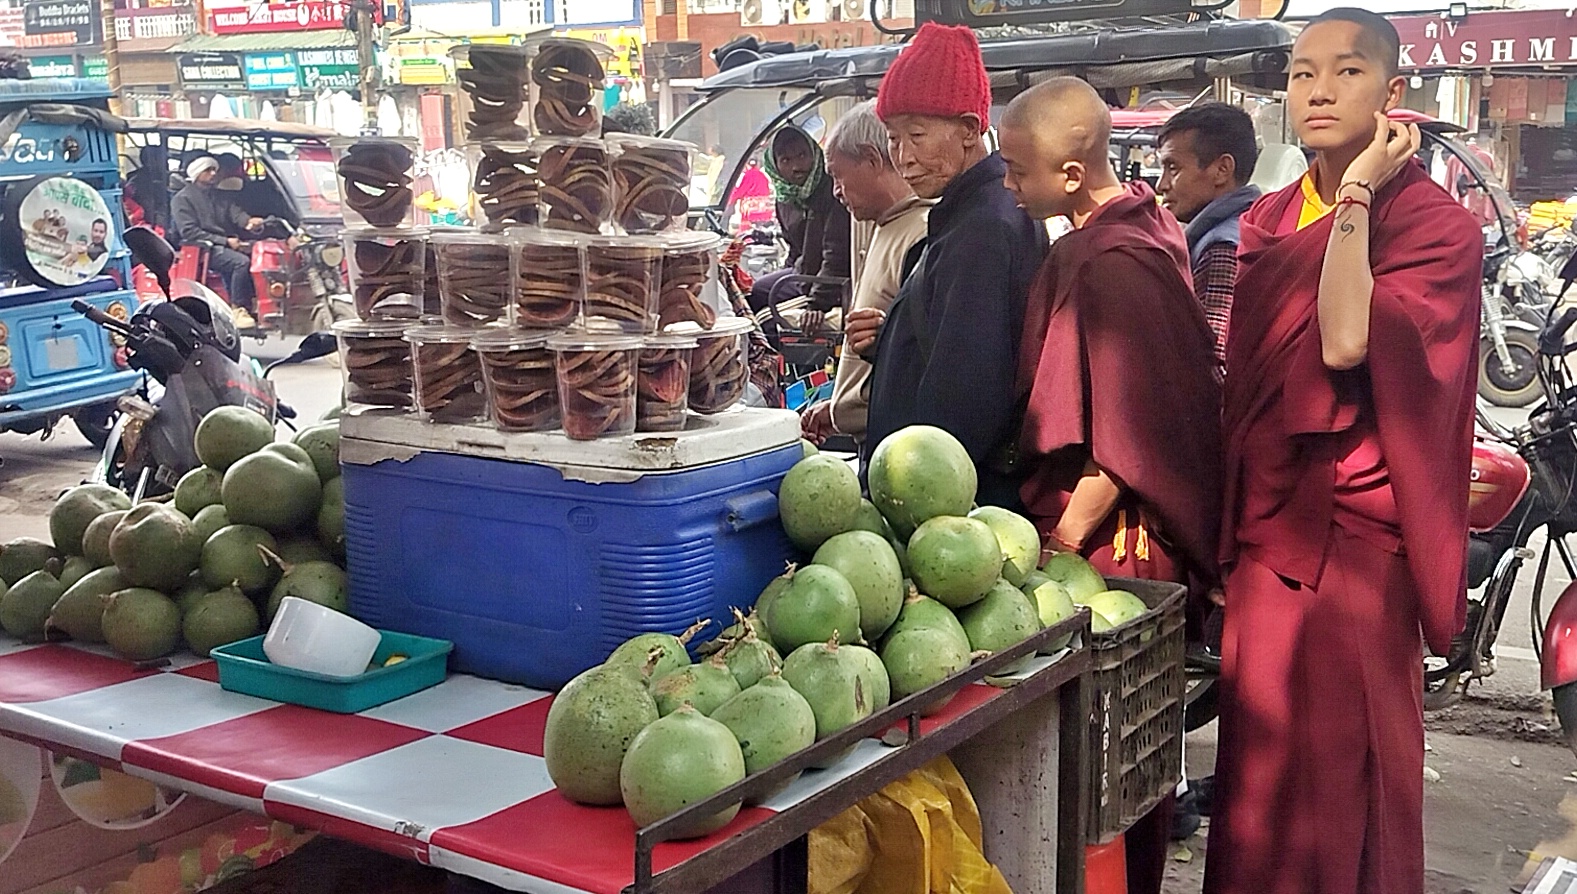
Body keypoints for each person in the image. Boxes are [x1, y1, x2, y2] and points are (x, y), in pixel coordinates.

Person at [1205, 10, 1481, 894]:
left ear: (1392, 93)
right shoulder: (1271, 215)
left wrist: (1357, 189)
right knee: (1259, 782)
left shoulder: (1438, 229)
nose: (1318, 91)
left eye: (1346, 72)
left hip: (1357, 544)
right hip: (1269, 529)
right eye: (1301, 74)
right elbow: (1246, 383)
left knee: (1347, 774)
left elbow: (1344, 339)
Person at [998, 77, 1222, 894]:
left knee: (1104, 767)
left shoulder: (1099, 262)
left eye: (1015, 170)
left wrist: (1059, 542)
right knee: (1139, 757)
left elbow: (1121, 441)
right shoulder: (1148, 222)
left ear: (1067, 174)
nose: (1006, 184)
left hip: (1113, 546)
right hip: (1139, 535)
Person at [850, 22, 1048, 507]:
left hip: (947, 503)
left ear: (968, 130)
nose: (903, 157)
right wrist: (893, 340)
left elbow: (969, 393)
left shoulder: (984, 227)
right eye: (893, 138)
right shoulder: (965, 214)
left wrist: (918, 504)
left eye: (916, 135)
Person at [800, 101, 930, 448]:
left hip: (899, 445)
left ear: (872, 159)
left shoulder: (920, 233)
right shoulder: (885, 225)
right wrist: (839, 410)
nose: (835, 190)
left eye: (837, 175)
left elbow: (911, 359)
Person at [1155, 103, 1262, 367]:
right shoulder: (1252, 225)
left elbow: (1214, 359)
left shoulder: (1222, 248)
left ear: (1222, 170)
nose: (1161, 184)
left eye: (1173, 167)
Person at [749, 125, 852, 327]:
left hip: (830, 282)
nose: (796, 166)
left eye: (802, 155)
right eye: (786, 160)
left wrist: (816, 304)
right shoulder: (784, 199)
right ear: (775, 165)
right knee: (756, 292)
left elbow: (837, 257)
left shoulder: (832, 192)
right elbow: (794, 251)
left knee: (767, 321)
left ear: (814, 154)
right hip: (803, 273)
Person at [172, 155, 263, 327]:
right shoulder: (182, 199)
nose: (213, 173)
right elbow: (189, 232)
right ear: (197, 173)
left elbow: (235, 213)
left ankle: (253, 302)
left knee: (258, 256)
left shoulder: (219, 196)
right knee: (240, 262)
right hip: (202, 250)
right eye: (208, 170)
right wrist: (225, 241)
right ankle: (238, 308)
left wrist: (248, 222)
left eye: (214, 170)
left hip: (222, 245)